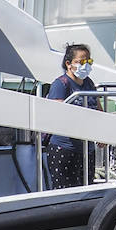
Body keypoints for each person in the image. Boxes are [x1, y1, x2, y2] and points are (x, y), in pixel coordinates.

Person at [44, 44, 99, 189]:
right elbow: (57, 114)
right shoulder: (60, 84)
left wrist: (102, 133)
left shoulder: (89, 83)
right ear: (68, 64)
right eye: (81, 62)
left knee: (86, 192)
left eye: (89, 62)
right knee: (65, 193)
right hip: (64, 148)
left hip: (87, 149)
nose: (86, 65)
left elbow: (99, 110)